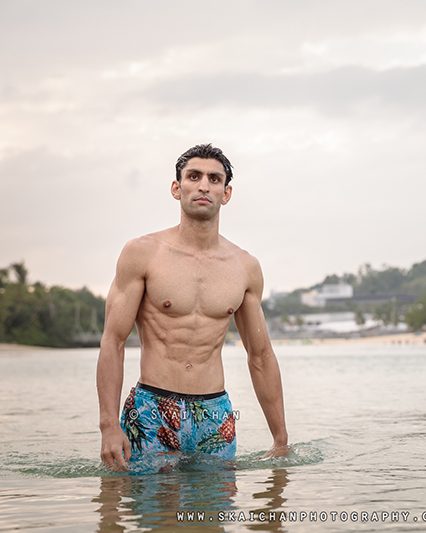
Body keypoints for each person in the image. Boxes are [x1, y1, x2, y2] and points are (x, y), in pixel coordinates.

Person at [96, 143, 288, 471]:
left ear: (226, 193)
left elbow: (261, 355)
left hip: (215, 414)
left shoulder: (244, 267)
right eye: (194, 176)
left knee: (212, 519)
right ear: (176, 188)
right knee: (156, 518)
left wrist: (280, 439)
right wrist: (109, 426)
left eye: (214, 179)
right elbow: (113, 342)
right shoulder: (142, 253)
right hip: (151, 408)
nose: (203, 185)